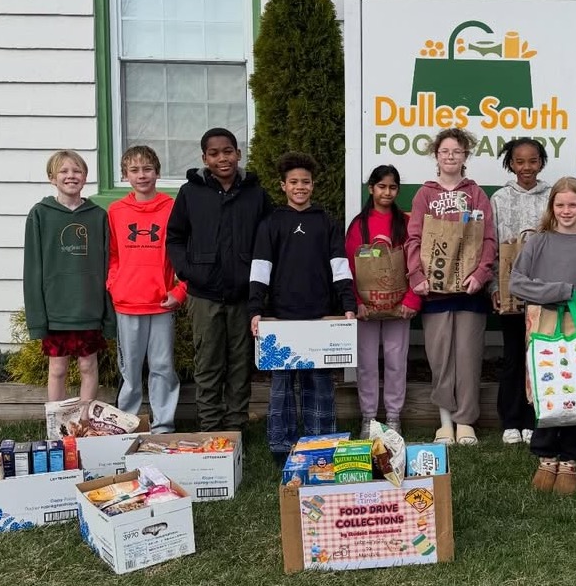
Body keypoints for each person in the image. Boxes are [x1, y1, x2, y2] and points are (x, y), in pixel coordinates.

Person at [250, 152, 356, 465]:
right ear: (283, 185)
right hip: (281, 320)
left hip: (319, 318)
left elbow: (340, 267)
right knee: (282, 387)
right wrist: (255, 309)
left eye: (305, 182)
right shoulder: (271, 223)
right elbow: (260, 269)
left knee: (319, 384)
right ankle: (282, 447)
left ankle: (320, 443)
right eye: (294, 182)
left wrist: (348, 305)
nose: (300, 187)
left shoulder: (326, 222)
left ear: (313, 185)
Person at [166, 127, 273, 433]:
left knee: (240, 365)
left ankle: (235, 429)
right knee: (209, 364)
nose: (222, 158)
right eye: (214, 153)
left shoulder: (255, 194)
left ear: (238, 154)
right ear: (204, 158)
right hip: (204, 295)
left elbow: (268, 241)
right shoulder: (191, 193)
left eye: (228, 151)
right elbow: (175, 236)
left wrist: (258, 284)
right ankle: (211, 430)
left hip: (243, 296)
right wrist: (187, 270)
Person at [511, 177, 576, 495]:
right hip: (540, 323)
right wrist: (563, 290)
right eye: (560, 204)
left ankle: (570, 459)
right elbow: (517, 283)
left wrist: (549, 292)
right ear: (552, 207)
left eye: (573, 204)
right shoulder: (538, 242)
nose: (566, 210)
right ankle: (546, 454)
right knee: (546, 385)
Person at [406, 128, 497, 446]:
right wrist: (417, 276)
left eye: (456, 151)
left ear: (465, 156)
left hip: (470, 293)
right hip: (435, 294)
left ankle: (466, 422)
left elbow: (488, 238)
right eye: (444, 151)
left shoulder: (477, 194)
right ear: (436, 155)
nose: (450, 156)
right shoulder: (424, 195)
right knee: (440, 357)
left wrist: (481, 274)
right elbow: (414, 238)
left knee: (468, 356)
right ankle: (445, 421)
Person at [23, 150, 116, 402]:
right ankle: (57, 427)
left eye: (77, 171)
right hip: (56, 312)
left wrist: (108, 315)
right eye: (64, 171)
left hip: (89, 308)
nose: (71, 176)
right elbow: (32, 269)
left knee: (88, 367)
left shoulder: (98, 216)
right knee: (58, 369)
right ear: (52, 178)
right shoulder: (40, 214)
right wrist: (37, 317)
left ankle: (84, 424)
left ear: (85, 177)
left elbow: (108, 266)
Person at [107, 145, 186, 433]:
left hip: (161, 303)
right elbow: (112, 255)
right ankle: (126, 424)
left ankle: (163, 425)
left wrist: (180, 290)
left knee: (163, 367)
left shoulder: (172, 208)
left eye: (147, 169)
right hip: (127, 302)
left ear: (158, 172)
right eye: (135, 170)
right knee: (130, 370)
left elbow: (185, 254)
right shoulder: (116, 211)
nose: (142, 175)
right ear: (125, 175)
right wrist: (114, 284)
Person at [345, 164, 420, 438]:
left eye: (392, 187)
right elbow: (349, 267)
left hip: (399, 307)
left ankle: (393, 417)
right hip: (366, 308)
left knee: (395, 360)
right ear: (371, 188)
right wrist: (356, 303)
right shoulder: (359, 225)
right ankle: (368, 418)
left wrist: (412, 300)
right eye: (381, 186)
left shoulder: (406, 221)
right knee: (366, 362)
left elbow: (416, 262)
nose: (387, 192)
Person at [489, 138, 551, 446]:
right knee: (513, 355)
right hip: (510, 291)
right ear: (510, 164)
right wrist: (493, 286)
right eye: (519, 161)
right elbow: (491, 247)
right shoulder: (499, 199)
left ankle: (533, 418)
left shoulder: (553, 196)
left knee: (538, 355)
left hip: (544, 291)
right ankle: (510, 420)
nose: (526, 167)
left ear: (541, 162)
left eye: (533, 161)